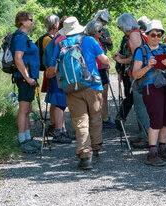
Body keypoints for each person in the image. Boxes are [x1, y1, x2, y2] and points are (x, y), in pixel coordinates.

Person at [46, 17, 109, 170]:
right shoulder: (90, 41)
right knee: (95, 117)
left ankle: (85, 156)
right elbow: (105, 61)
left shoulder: (60, 44)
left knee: (80, 120)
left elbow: (51, 72)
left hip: (71, 87)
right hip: (93, 85)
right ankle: (95, 149)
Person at [132, 20, 166, 166]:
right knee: (156, 118)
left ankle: (162, 148)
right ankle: (152, 152)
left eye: (159, 35)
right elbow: (135, 74)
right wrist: (148, 66)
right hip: (151, 86)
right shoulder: (141, 51)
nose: (157, 38)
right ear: (147, 35)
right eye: (153, 35)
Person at [113, 13, 150, 148]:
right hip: (139, 74)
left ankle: (146, 138)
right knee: (140, 106)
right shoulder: (137, 34)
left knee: (141, 107)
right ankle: (143, 135)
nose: (120, 29)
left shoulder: (133, 35)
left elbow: (136, 57)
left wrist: (121, 60)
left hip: (138, 76)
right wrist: (122, 56)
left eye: (120, 26)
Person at [11, 11, 41, 153]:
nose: (32, 22)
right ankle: (22, 140)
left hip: (28, 78)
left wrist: (32, 78)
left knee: (28, 109)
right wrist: (28, 77)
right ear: (22, 22)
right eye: (30, 20)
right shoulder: (20, 38)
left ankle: (28, 138)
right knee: (23, 110)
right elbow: (18, 58)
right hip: (24, 78)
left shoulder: (23, 37)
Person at [42, 15, 71, 143]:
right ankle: (59, 132)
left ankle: (61, 130)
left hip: (55, 74)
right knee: (60, 103)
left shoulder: (57, 37)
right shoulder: (61, 39)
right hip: (58, 75)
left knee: (60, 103)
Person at [92, 9, 115, 128]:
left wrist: (109, 42)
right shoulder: (88, 29)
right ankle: (94, 119)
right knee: (93, 93)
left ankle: (105, 118)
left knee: (104, 93)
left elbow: (110, 48)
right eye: (102, 20)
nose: (103, 24)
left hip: (103, 64)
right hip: (91, 65)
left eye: (105, 22)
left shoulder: (105, 31)